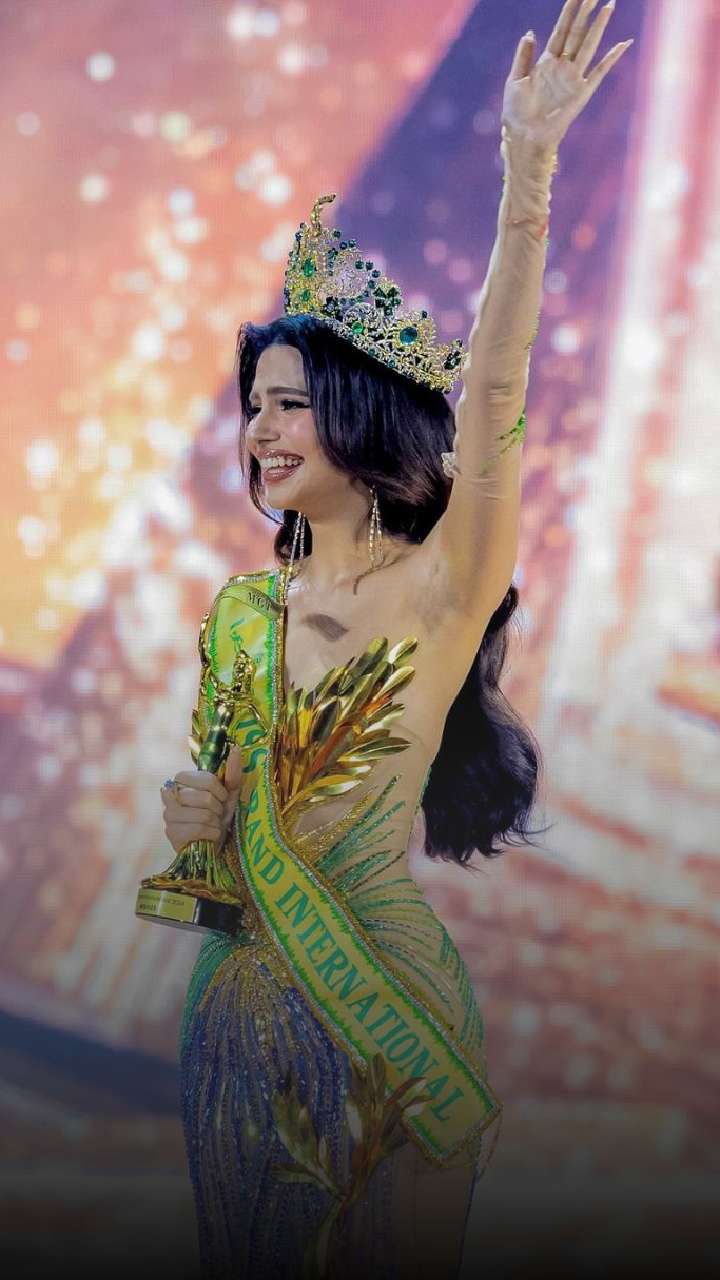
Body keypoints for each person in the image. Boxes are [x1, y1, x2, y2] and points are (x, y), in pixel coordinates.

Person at [162, 3, 633, 1276]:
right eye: (251, 408)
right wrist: (201, 822)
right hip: (237, 1018)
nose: (259, 432)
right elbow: (223, 861)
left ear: (359, 414)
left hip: (388, 1014)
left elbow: (496, 385)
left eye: (288, 405)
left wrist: (527, 175)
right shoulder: (240, 614)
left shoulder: (444, 586)